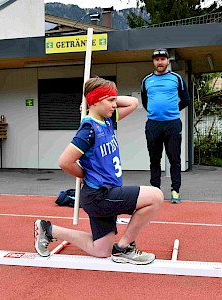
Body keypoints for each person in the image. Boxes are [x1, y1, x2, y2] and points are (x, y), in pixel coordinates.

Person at [34, 77, 163, 265]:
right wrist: (84, 174)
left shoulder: (107, 120)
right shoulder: (89, 129)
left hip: (105, 193)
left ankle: (48, 230)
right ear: (95, 101)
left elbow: (133, 103)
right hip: (99, 195)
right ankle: (124, 248)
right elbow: (64, 161)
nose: (114, 104)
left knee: (101, 250)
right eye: (110, 100)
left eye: (114, 100)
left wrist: (103, 99)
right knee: (156, 196)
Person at [141, 48, 190, 204]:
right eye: (157, 59)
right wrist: (156, 113)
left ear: (168, 61)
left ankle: (175, 191)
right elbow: (145, 102)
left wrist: (172, 111)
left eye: (163, 59)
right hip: (153, 124)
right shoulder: (146, 80)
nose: (160, 62)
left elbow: (186, 100)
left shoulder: (176, 78)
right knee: (154, 159)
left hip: (172, 124)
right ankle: (155, 192)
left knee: (174, 158)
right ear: (153, 62)